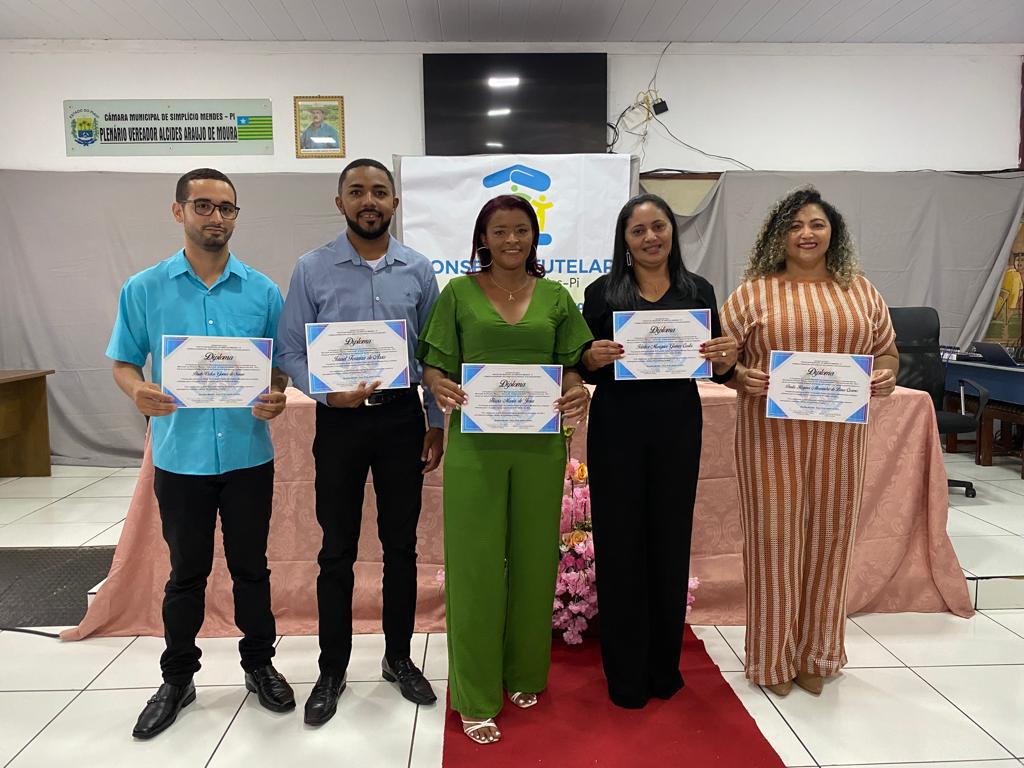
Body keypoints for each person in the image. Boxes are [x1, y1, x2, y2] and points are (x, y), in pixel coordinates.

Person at [107, 168, 294, 739]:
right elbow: (123, 361)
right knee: (185, 575)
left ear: (236, 216)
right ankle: (178, 679)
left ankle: (259, 666)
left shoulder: (263, 291)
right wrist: (137, 390)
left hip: (247, 457)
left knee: (251, 569)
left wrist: (276, 393)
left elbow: (278, 368)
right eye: (204, 206)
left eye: (227, 208)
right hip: (180, 458)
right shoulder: (144, 288)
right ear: (179, 211)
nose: (216, 217)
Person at [418, 194, 593, 745]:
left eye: (521, 230)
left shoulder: (556, 296)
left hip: (540, 446)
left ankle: (524, 672)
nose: (511, 239)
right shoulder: (458, 293)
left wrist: (577, 391)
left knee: (535, 560)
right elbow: (433, 365)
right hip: (475, 446)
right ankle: (474, 695)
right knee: (474, 568)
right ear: (483, 238)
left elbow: (569, 366)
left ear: (534, 237)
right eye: (500, 231)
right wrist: (437, 386)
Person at [277, 158, 442, 726]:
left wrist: (435, 420)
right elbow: (289, 351)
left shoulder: (419, 270)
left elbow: (432, 356)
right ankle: (332, 669)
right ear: (340, 202)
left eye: (378, 191)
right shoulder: (311, 269)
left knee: (401, 548)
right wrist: (326, 394)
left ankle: (399, 658)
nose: (368, 200)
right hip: (340, 423)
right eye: (356, 191)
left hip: (402, 422)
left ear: (394, 202)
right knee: (336, 551)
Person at [719, 186, 899, 697]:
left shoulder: (861, 292)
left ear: (833, 233)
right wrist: (742, 377)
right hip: (769, 440)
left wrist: (885, 376)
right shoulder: (752, 293)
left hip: (840, 443)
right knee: (773, 543)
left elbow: (887, 352)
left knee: (830, 541)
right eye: (795, 225)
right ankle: (772, 658)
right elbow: (719, 358)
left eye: (817, 224)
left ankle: (817, 654)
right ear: (778, 236)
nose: (806, 233)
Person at [580, 193, 737, 709]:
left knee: (670, 543)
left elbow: (721, 369)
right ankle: (625, 674)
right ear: (624, 241)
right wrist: (591, 357)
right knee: (620, 547)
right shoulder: (602, 293)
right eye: (638, 230)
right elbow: (581, 367)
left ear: (673, 231)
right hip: (617, 431)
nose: (650, 237)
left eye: (659, 226)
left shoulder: (698, 290)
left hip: (676, 429)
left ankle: (663, 669)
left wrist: (726, 356)